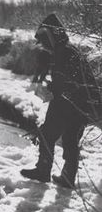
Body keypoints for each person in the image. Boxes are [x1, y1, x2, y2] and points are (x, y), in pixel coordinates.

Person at [21, 13, 101, 188]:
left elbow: (65, 84)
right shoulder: (67, 49)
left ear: (51, 35)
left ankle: (43, 171)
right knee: (71, 139)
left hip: (70, 103)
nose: (43, 44)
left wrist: (49, 89)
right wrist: (54, 87)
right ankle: (67, 177)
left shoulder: (63, 52)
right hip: (82, 103)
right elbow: (72, 81)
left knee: (47, 134)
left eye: (43, 39)